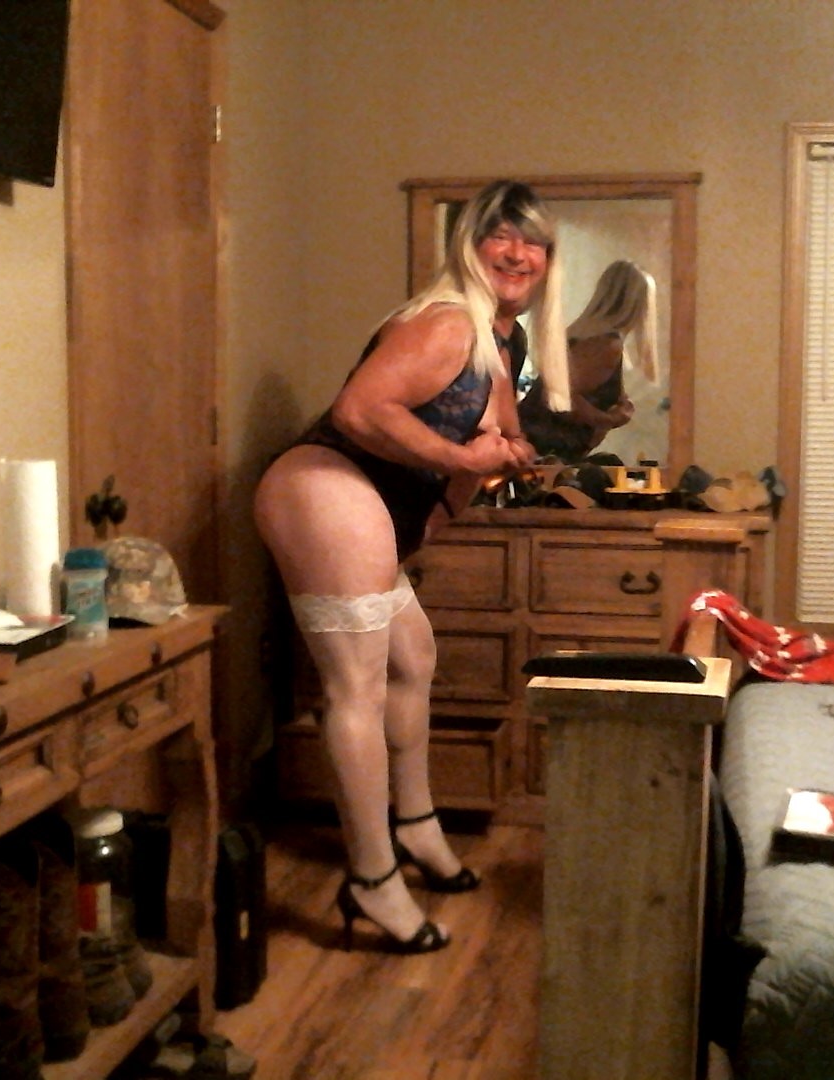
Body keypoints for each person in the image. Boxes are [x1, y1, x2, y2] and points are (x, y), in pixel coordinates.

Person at [253, 180, 566, 953]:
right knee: (354, 686)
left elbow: (500, 438)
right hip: (325, 485)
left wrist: (497, 459)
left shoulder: (501, 341)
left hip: (376, 506)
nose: (518, 252)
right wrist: (466, 458)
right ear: (469, 245)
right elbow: (361, 410)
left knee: (412, 656)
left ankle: (417, 825)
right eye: (501, 235)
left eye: (533, 240)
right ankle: (370, 876)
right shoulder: (447, 322)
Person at [516, 259, 659, 463]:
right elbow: (562, 399)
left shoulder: (583, 335)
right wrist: (609, 419)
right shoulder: (606, 345)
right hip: (543, 451)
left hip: (539, 447)